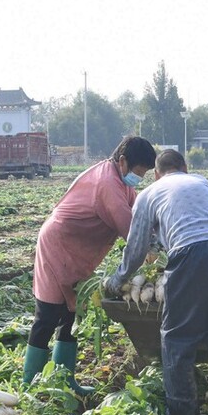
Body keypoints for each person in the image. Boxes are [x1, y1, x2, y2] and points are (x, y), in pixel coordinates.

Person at [102, 149, 208, 415]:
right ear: (185, 166)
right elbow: (196, 218)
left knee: (178, 336)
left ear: (156, 174)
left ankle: (183, 413)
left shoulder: (149, 194)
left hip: (192, 251)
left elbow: (136, 248)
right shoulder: (201, 181)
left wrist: (118, 279)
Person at [24, 135, 157, 394]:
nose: (139, 179)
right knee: (48, 315)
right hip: (58, 247)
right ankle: (30, 385)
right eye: (139, 172)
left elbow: (139, 213)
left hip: (78, 253)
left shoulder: (122, 184)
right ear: (123, 162)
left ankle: (65, 380)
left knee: (73, 316)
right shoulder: (107, 183)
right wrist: (153, 250)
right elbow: (130, 230)